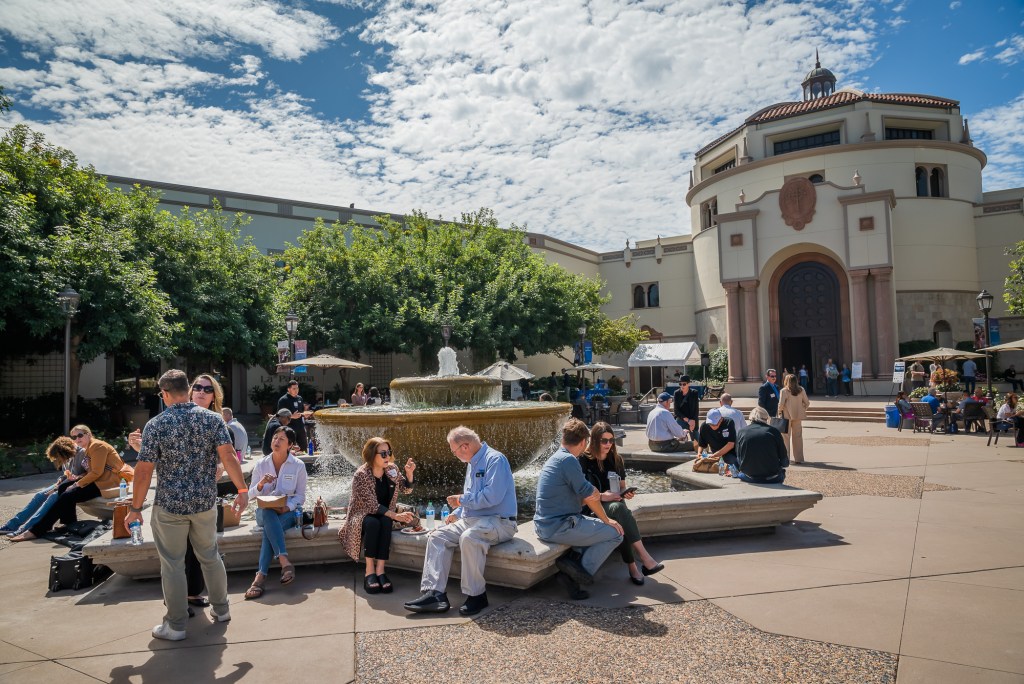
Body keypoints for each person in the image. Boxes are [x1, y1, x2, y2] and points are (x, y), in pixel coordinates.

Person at [125, 369, 248, 641]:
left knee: (172, 564)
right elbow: (228, 457)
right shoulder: (213, 419)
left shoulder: (156, 425)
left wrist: (135, 508)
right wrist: (242, 489)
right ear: (187, 390)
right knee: (210, 556)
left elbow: (144, 472)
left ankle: (176, 625)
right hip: (204, 502)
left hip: (170, 506)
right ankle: (222, 609)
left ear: (166, 394)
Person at [405, 426, 517, 616]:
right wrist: (457, 511)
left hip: (500, 522)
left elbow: (493, 496)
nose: (454, 455)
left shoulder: (495, 459)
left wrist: (461, 500)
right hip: (474, 519)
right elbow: (473, 498)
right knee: (438, 536)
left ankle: (477, 596)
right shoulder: (472, 463)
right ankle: (434, 594)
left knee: (470, 538)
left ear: (464, 446)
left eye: (454, 451)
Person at [534, 419, 625, 600]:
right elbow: (590, 496)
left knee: (596, 527)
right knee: (616, 533)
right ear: (584, 442)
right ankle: (575, 574)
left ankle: (572, 565)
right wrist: (607, 520)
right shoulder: (569, 461)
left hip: (547, 523)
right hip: (558, 526)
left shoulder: (557, 457)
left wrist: (594, 496)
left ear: (564, 438)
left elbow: (585, 495)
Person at [578, 422, 663, 586]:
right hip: (590, 508)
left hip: (614, 504)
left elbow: (622, 486)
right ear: (594, 440)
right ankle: (641, 560)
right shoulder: (583, 460)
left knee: (620, 512)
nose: (608, 444)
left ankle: (636, 565)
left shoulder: (616, 459)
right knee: (619, 510)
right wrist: (604, 496)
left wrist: (626, 493)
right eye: (604, 441)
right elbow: (581, 496)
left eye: (611, 440)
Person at [11, 425, 126, 542]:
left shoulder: (98, 446)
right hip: (99, 480)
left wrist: (76, 484)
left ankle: (37, 530)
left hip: (108, 483)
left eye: (80, 435)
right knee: (63, 488)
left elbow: (96, 472)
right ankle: (69, 523)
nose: (77, 439)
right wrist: (75, 479)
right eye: (74, 437)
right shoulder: (88, 448)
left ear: (89, 434)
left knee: (67, 495)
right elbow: (90, 471)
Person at [338, 437, 416, 595]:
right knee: (374, 523)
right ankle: (369, 571)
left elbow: (406, 489)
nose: (387, 456)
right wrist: (396, 516)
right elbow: (372, 505)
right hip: (362, 514)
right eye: (383, 453)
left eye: (389, 452)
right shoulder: (361, 475)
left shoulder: (392, 469)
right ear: (372, 455)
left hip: (385, 513)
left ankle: (380, 570)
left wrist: (409, 475)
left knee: (385, 521)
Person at [244, 426, 308, 600]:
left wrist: (287, 507)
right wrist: (261, 484)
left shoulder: (298, 466)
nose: (276, 441)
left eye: (281, 439)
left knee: (269, 529)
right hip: (264, 512)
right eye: (274, 437)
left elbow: (300, 497)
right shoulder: (261, 464)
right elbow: (250, 495)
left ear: (290, 444)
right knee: (267, 514)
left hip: (286, 513)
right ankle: (284, 561)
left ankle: (260, 577)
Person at [2, 436, 86, 536]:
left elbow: (89, 472)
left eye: (59, 456)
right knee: (39, 495)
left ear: (65, 451)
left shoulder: (82, 453)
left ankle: (28, 527)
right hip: (66, 483)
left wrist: (75, 477)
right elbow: (66, 473)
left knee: (53, 496)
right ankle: (12, 525)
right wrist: (62, 478)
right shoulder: (66, 456)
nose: (60, 460)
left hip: (79, 484)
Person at [734, 407, 789, 483]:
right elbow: (784, 461)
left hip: (748, 475)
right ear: (766, 418)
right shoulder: (774, 431)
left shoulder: (741, 432)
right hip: (771, 476)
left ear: (751, 418)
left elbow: (739, 456)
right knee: (781, 472)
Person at [778, 373, 810, 463]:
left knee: (785, 439)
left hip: (786, 417)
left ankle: (785, 458)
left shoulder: (784, 391)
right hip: (798, 417)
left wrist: (779, 413)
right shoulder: (801, 390)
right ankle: (799, 459)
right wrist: (801, 409)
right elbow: (807, 403)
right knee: (798, 438)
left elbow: (781, 405)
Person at [278, 380, 310, 451]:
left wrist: (305, 415)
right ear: (289, 389)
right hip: (290, 428)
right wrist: (292, 416)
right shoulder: (283, 400)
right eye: (294, 388)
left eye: (297, 388)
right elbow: (279, 415)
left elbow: (301, 412)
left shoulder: (300, 398)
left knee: (304, 448)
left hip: (300, 427)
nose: (296, 390)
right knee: (291, 448)